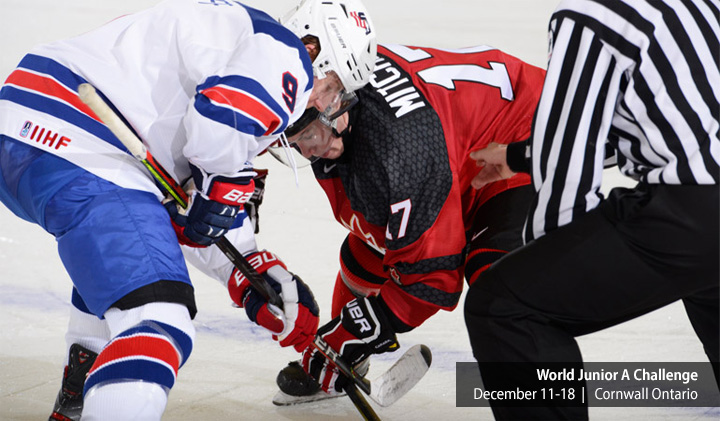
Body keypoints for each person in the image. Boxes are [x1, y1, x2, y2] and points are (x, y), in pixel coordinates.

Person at [0, 0, 376, 419]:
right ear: (313, 48)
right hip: (81, 143)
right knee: (158, 317)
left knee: (127, 269)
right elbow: (218, 127)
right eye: (335, 85)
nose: (330, 103)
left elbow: (190, 200)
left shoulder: (237, 47)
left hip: (41, 130)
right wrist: (225, 190)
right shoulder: (283, 51)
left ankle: (81, 394)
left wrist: (248, 266)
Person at [463, 0, 720, 419]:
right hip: (705, 220)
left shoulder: (589, 14)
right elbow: (674, 124)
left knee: (507, 307)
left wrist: (542, 268)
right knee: (709, 278)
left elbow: (569, 160)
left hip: (694, 215)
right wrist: (522, 156)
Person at [269, 42, 547, 403]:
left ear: (335, 102)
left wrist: (363, 328)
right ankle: (344, 356)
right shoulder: (345, 79)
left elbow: (434, 278)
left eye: (307, 134)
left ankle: (546, 402)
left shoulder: (397, 156)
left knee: (499, 290)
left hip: (526, 140)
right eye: (292, 142)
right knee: (372, 246)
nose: (305, 151)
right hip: (461, 149)